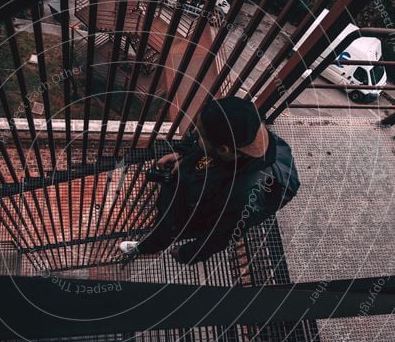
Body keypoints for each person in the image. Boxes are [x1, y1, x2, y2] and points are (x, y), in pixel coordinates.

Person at [119, 96, 299, 265]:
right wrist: (181, 153)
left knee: (164, 232)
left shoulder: (243, 198)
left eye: (201, 136)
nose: (197, 138)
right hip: (187, 191)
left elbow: (222, 236)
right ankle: (150, 242)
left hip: (187, 218)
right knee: (162, 220)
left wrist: (186, 254)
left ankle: (143, 249)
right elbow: (198, 140)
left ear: (224, 150)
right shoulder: (242, 136)